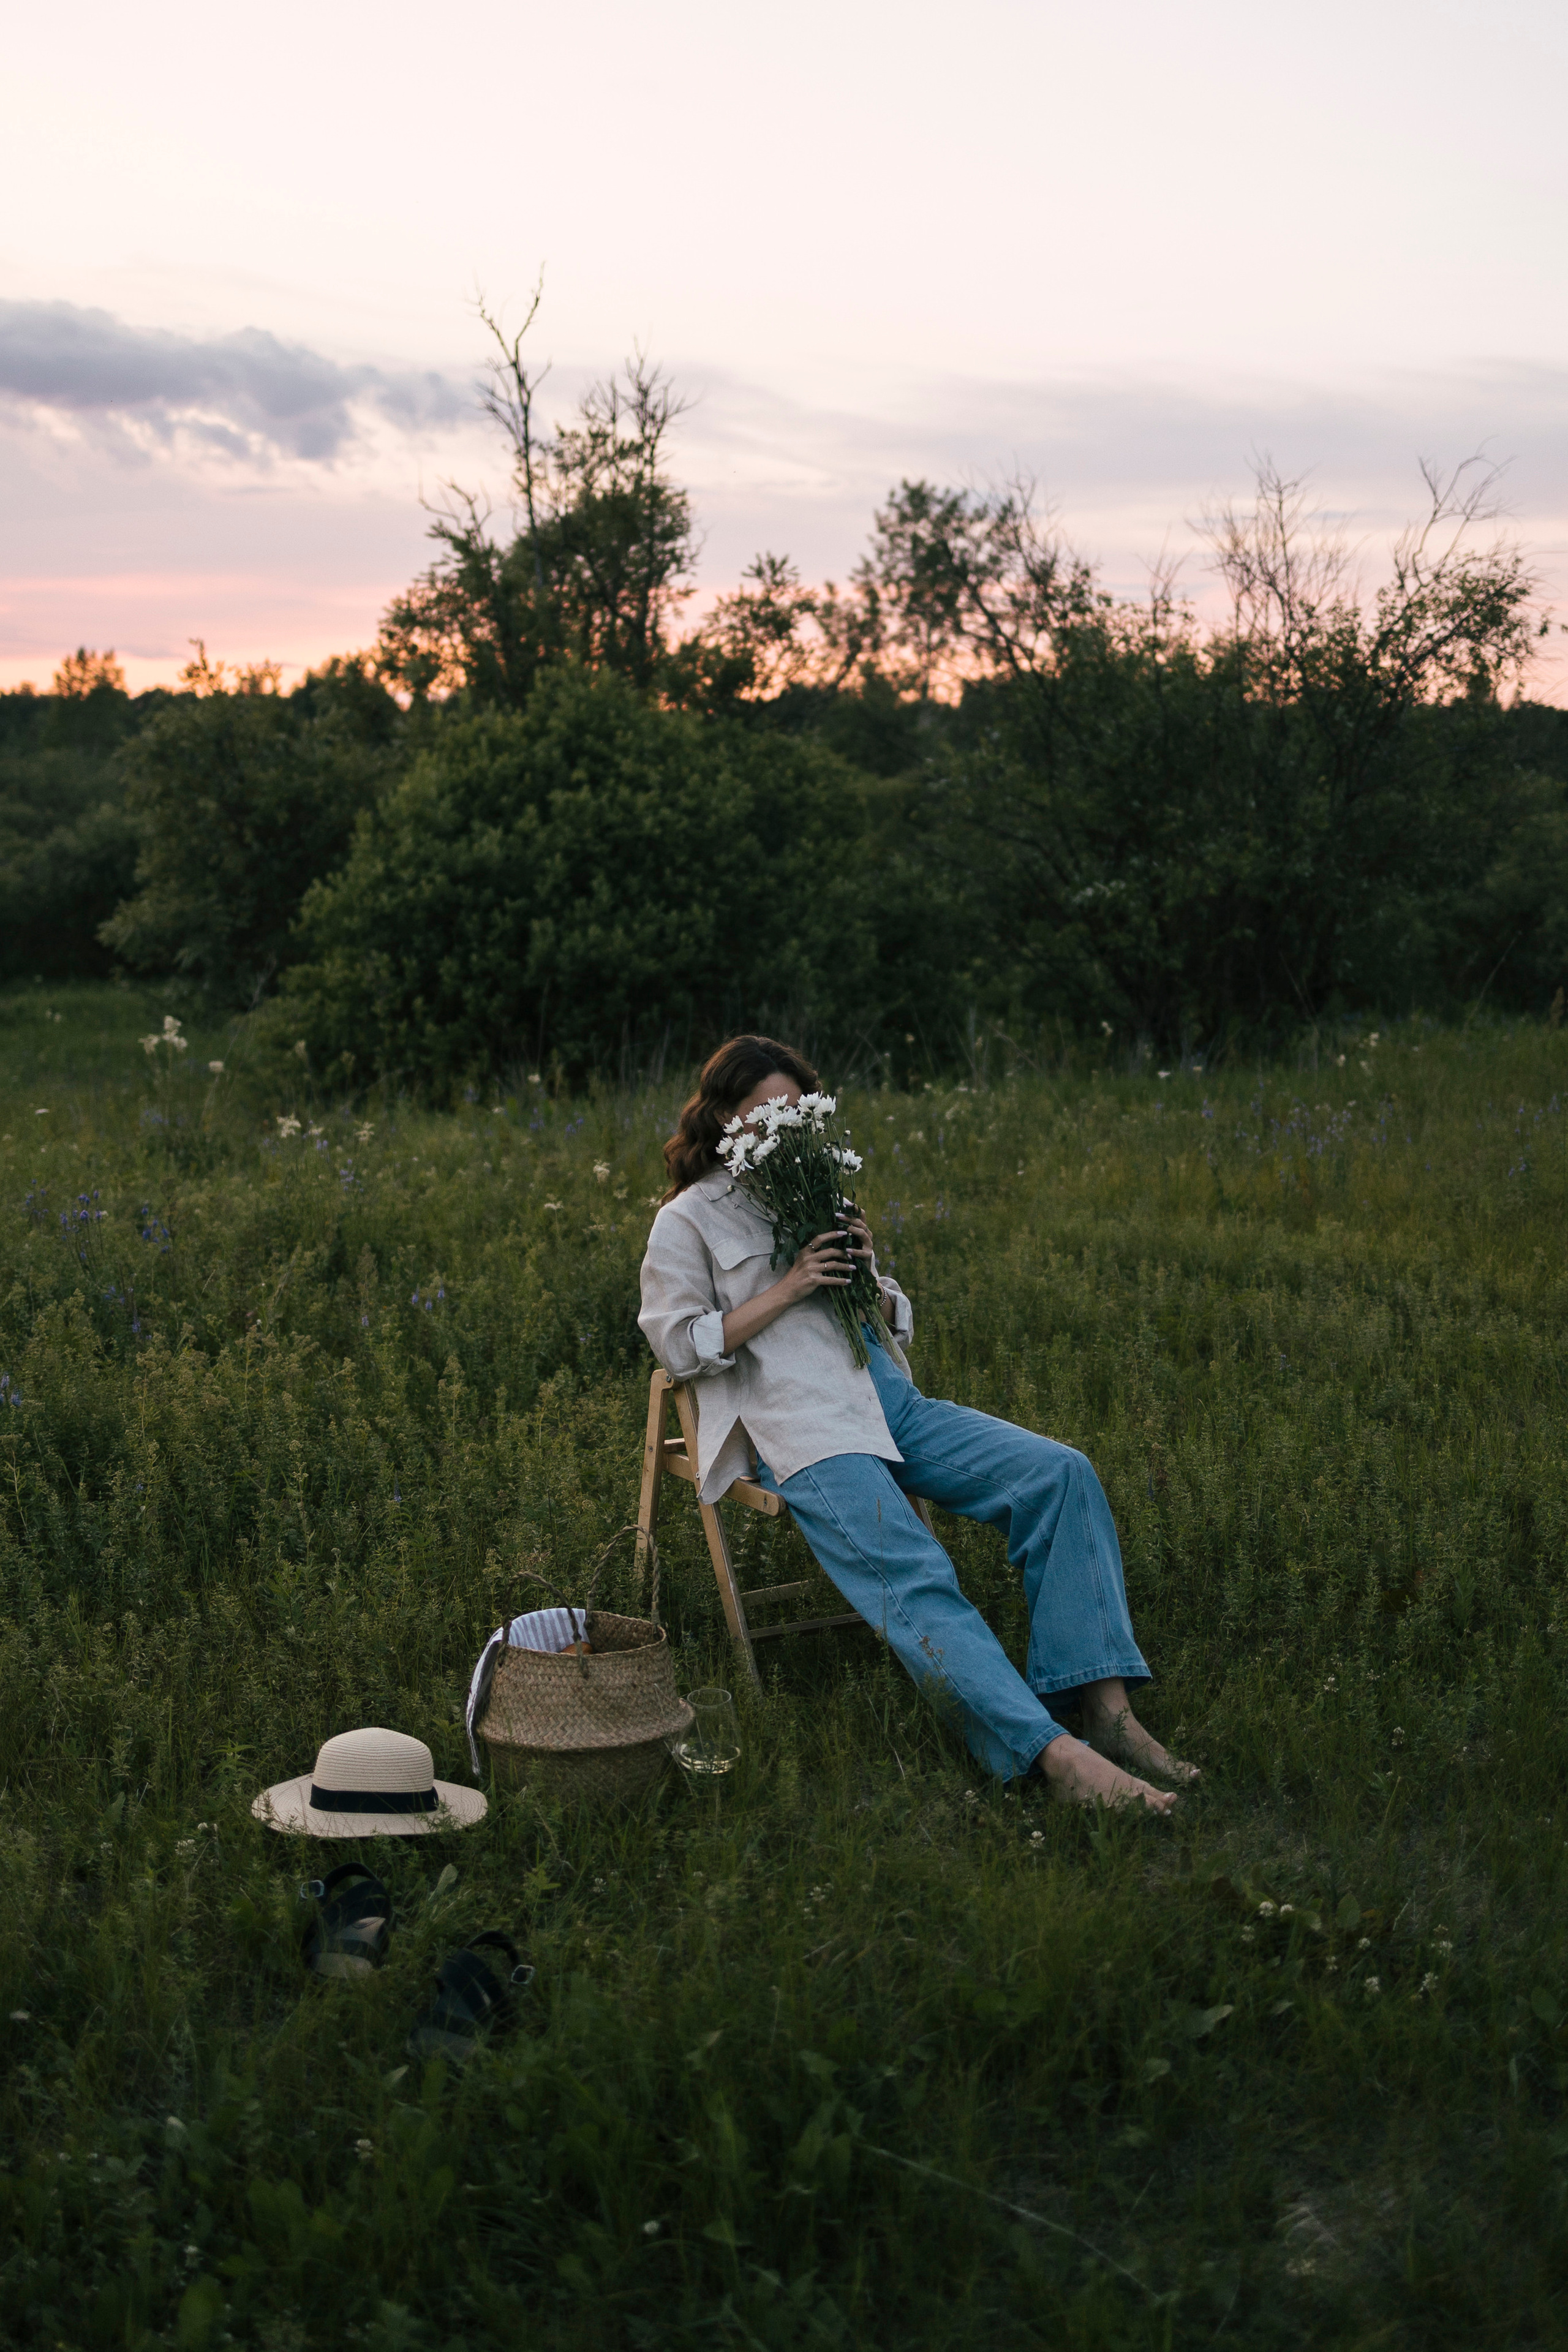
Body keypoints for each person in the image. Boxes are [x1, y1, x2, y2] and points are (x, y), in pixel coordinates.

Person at [638, 1035, 1195, 1812]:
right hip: (799, 1427)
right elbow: (677, 1344)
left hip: (888, 1403)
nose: (787, 1127)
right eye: (767, 1113)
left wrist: (870, 1275)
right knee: (916, 1570)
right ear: (727, 1117)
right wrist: (791, 1285)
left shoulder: (812, 1187)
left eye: (798, 1113)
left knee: (1059, 1472)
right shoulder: (688, 1220)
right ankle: (1051, 1757)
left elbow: (893, 1320)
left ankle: (1105, 1711)